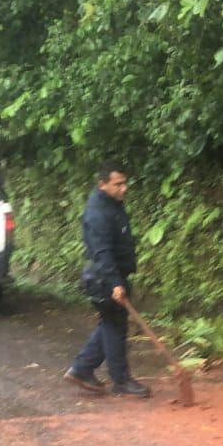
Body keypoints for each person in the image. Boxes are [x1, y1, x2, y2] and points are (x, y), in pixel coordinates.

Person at [64, 163, 150, 397]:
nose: (124, 188)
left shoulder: (112, 205)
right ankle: (121, 380)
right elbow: (102, 252)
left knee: (110, 324)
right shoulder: (97, 213)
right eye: (118, 184)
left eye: (125, 183)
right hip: (103, 278)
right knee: (114, 327)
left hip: (111, 275)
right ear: (102, 184)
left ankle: (82, 369)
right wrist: (114, 283)